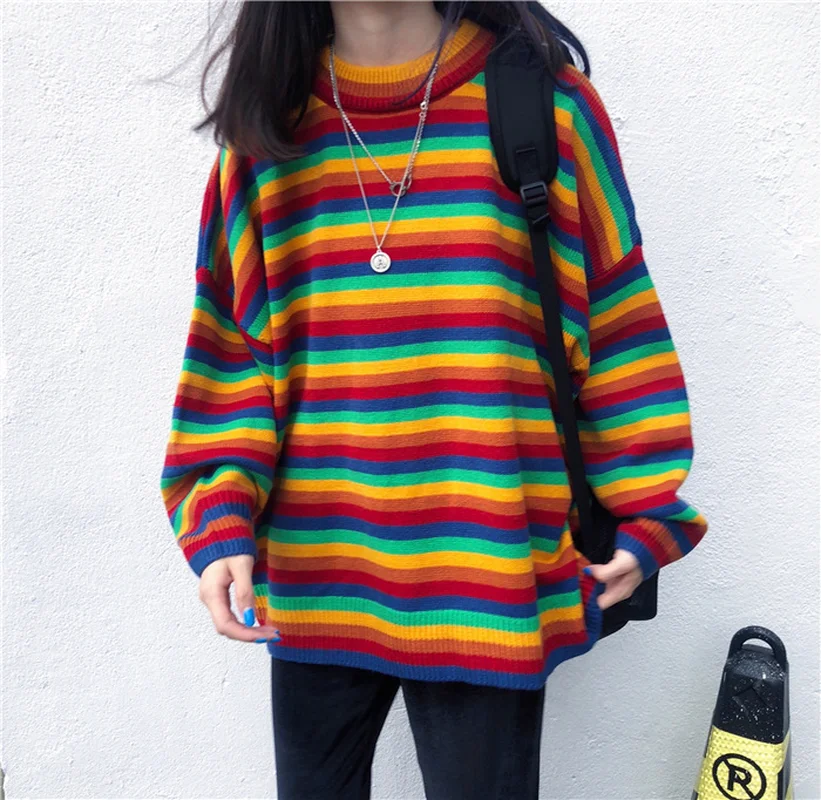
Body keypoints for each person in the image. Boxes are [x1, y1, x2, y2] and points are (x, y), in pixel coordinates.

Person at [159, 2, 709, 798]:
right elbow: (234, 354)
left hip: (486, 576)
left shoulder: (545, 106)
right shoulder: (266, 134)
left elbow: (617, 320)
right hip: (319, 575)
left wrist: (646, 507)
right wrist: (219, 516)